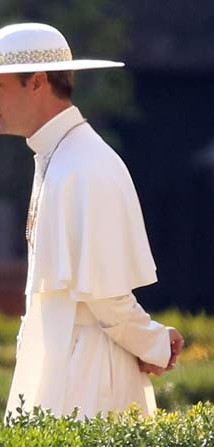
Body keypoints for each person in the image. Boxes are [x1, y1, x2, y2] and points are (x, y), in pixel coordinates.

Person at [0, 22, 184, 419]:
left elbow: (106, 297)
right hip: (63, 361)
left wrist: (153, 343)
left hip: (87, 376)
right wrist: (154, 342)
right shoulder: (56, 155)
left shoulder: (86, 165)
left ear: (36, 82)